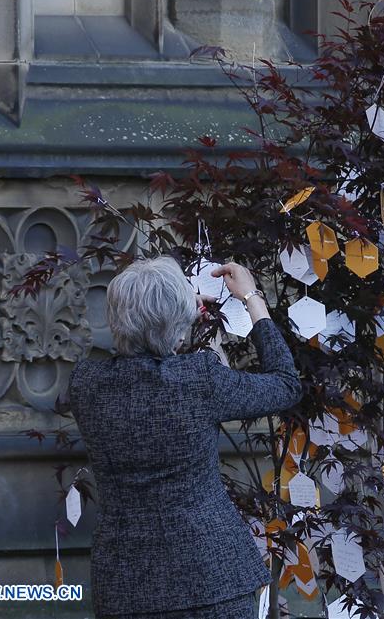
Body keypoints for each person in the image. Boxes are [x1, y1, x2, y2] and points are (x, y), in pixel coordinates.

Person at [67, 256, 302, 619]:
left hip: (126, 585)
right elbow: (286, 385)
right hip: (213, 577)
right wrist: (252, 298)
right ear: (179, 324)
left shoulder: (85, 386)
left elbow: (146, 364)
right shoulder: (199, 379)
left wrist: (170, 317)